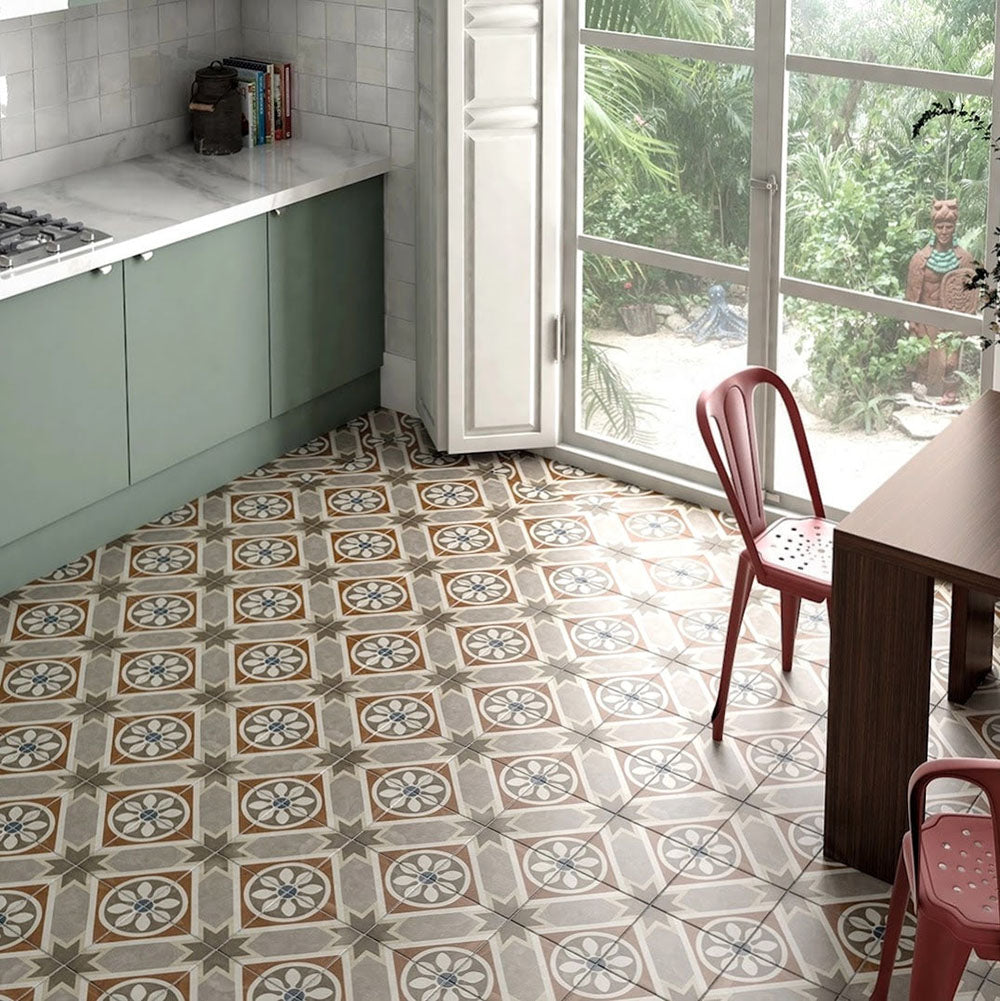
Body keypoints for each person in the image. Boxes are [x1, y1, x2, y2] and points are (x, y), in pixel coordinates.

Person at [904, 198, 978, 402]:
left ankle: (948, 393)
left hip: (950, 321)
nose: (944, 231)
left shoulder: (965, 259)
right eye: (940, 227)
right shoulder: (920, 259)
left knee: (949, 363)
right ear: (933, 228)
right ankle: (922, 391)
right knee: (922, 359)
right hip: (926, 320)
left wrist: (965, 324)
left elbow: (970, 296)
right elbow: (911, 296)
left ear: (954, 227)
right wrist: (913, 321)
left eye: (948, 227)